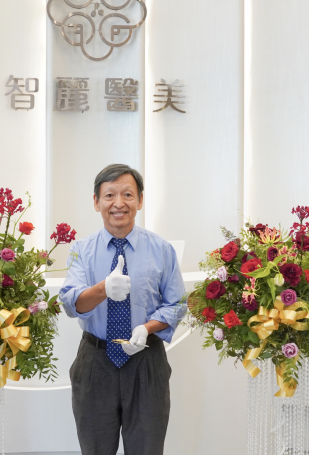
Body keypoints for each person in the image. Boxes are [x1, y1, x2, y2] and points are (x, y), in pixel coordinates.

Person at [59, 164, 186, 455]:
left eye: (128, 194)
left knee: (147, 448)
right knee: (95, 449)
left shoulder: (161, 249)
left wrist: (147, 328)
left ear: (140, 200)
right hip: (95, 361)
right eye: (109, 195)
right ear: (96, 202)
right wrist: (103, 288)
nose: (119, 203)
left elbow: (177, 304)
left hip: (147, 360)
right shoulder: (81, 250)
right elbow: (70, 303)